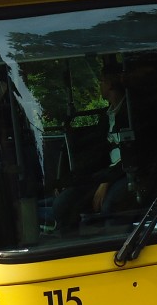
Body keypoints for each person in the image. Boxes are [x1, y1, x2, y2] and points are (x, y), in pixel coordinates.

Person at [51, 62, 135, 229]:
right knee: (62, 203)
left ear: (110, 84)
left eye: (101, 81)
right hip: (107, 172)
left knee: (110, 204)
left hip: (128, 172)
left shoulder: (132, 112)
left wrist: (106, 182)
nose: (100, 85)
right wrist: (69, 181)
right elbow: (96, 154)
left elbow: (134, 152)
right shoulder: (106, 117)